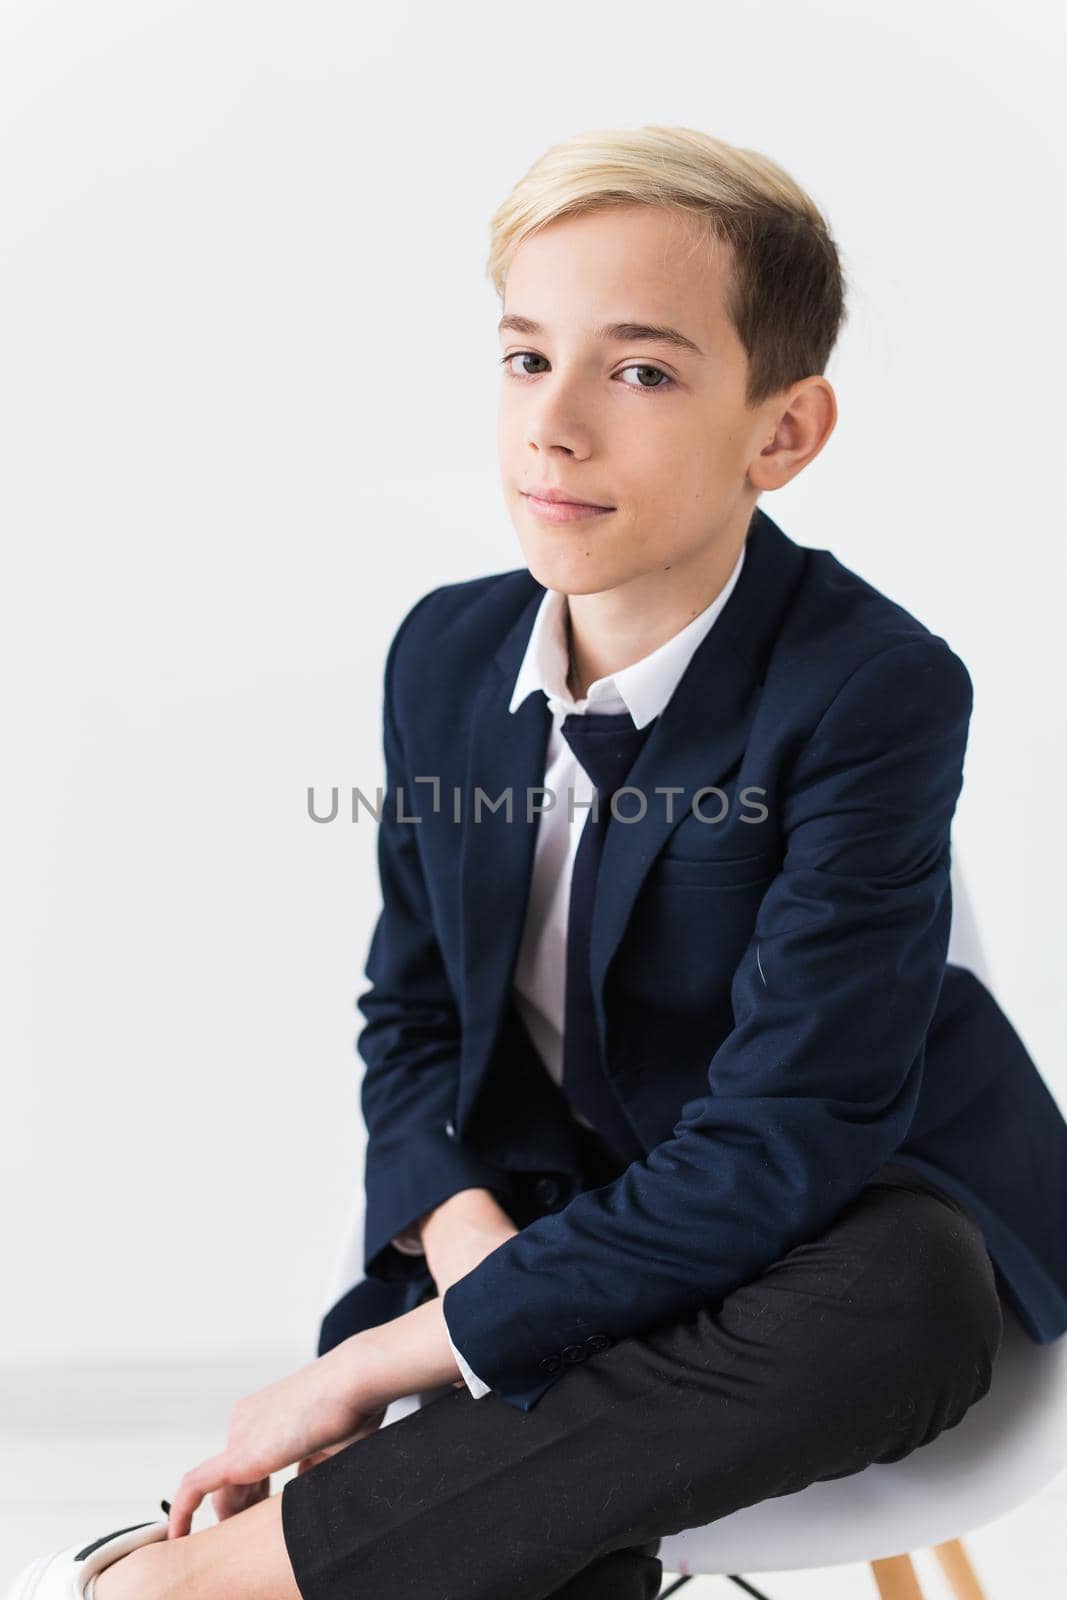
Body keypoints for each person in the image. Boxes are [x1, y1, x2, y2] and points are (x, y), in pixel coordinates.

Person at [13, 123, 1067, 1600]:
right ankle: (315, 1540)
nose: (552, 428)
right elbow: (418, 1021)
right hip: (548, 1200)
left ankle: (187, 1579)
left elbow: (780, 1146)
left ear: (784, 432)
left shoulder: (873, 689)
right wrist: (468, 1249)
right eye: (525, 359)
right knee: (522, 1523)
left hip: (833, 1204)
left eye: (639, 371)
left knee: (906, 1303)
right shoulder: (445, 653)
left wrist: (400, 1356)